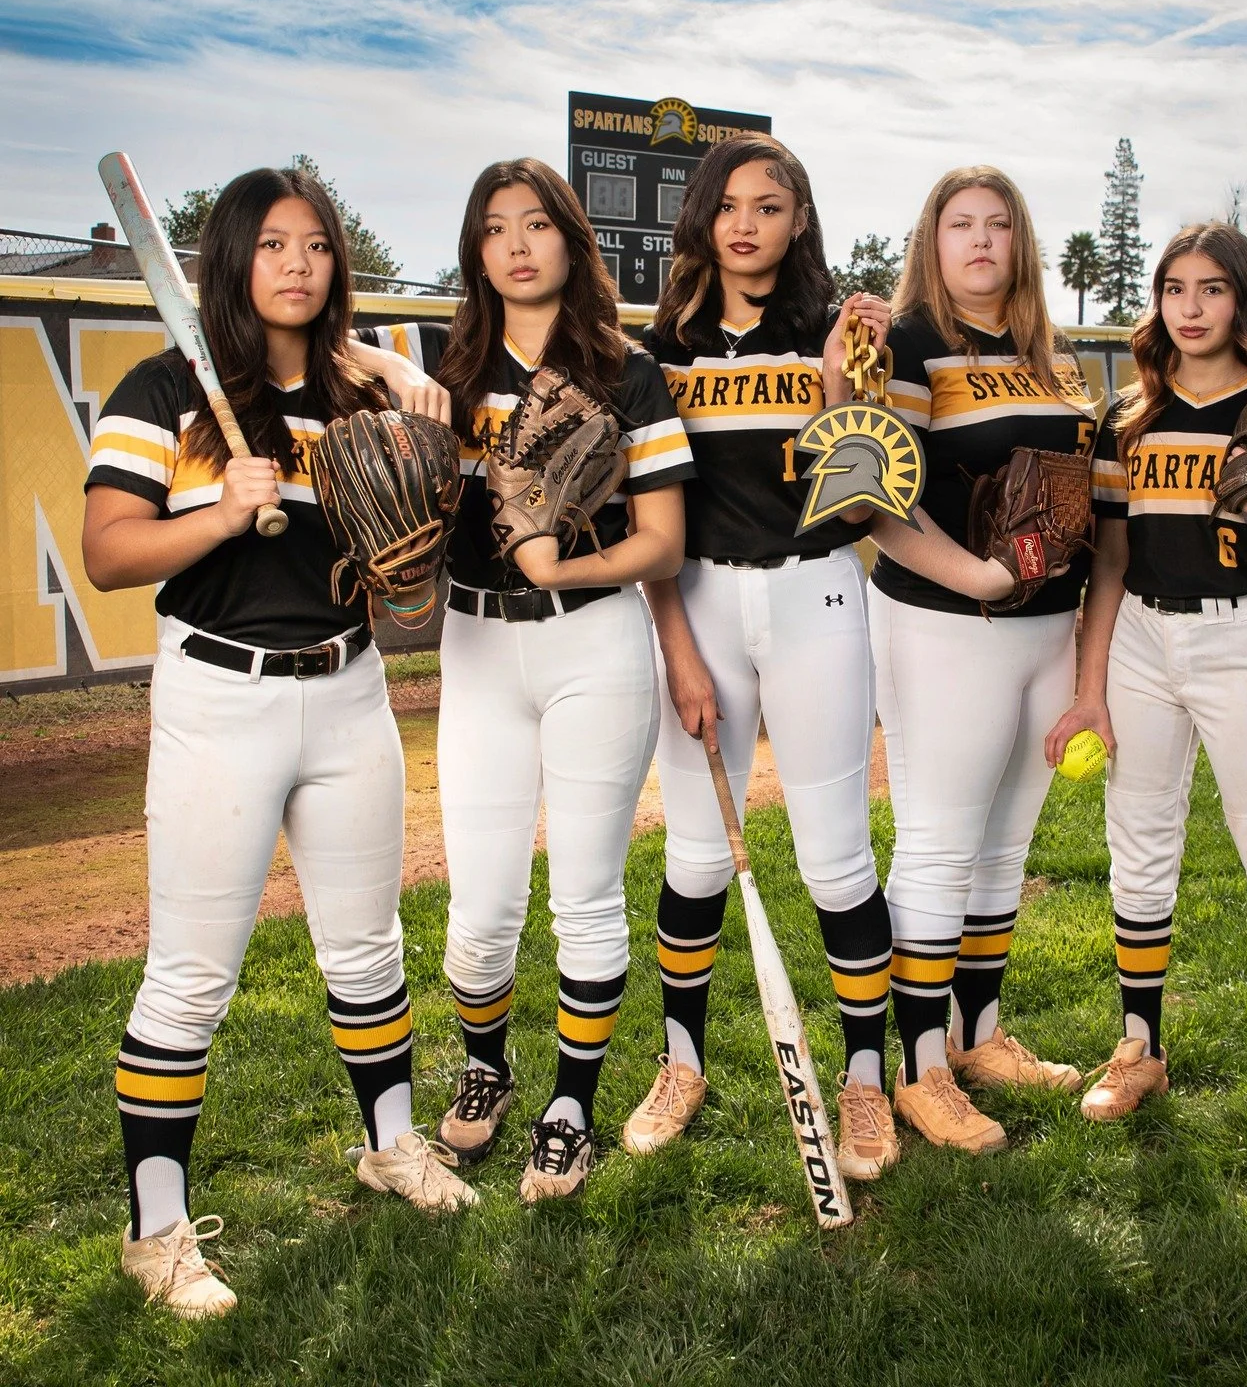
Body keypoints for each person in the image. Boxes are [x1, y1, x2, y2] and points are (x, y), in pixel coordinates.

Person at [82, 166, 472, 1320]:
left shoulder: (359, 393)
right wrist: (215, 506)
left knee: (368, 946)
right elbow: (109, 551)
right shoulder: (164, 391)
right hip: (222, 697)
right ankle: (154, 1233)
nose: (297, 263)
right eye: (272, 245)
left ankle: (390, 1146)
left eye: (316, 245)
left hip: (348, 689)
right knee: (192, 976)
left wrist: (403, 380)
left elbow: (400, 524)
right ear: (233, 262)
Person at [357, 158, 693, 1202]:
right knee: (483, 895)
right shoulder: (441, 379)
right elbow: (330, 354)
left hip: (592, 640)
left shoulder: (627, 371)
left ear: (569, 241)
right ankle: (490, 1069)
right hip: (475, 642)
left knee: (587, 890)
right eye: (494, 227)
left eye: (536, 223)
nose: (516, 243)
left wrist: (568, 564)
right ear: (475, 252)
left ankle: (571, 1109)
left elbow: (666, 545)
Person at [620, 131, 915, 1181]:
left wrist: (840, 384)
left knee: (838, 855)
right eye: (729, 204)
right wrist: (679, 648)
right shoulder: (658, 350)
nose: (746, 224)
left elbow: (870, 487)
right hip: (698, 602)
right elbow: (649, 512)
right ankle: (683, 1062)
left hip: (818, 595)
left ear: (799, 222)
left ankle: (867, 1084)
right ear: (703, 217)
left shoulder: (838, 332)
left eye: (771, 205)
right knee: (698, 857)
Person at [1046, 222, 1247, 1168]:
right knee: (1137, 846)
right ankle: (1141, 1049)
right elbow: (1109, 559)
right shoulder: (1129, 418)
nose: (1190, 308)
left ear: (1243, 301)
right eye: (1173, 289)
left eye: (1212, 290)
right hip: (1141, 633)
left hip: (1241, 634)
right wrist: (1089, 688)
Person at [864, 166, 1096, 1154]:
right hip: (945, 620)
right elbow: (876, 497)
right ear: (934, 239)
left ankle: (976, 1036)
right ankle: (916, 1071)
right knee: (938, 843)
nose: (981, 240)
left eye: (999, 224)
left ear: (1021, 241)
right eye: (961, 223)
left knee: (1004, 847)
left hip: (1051, 623)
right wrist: (974, 577)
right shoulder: (911, 346)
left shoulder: (1057, 360)